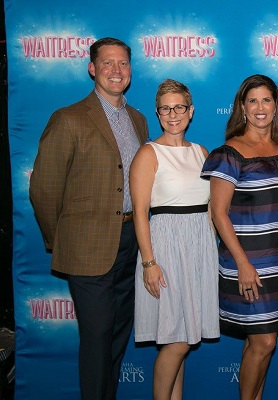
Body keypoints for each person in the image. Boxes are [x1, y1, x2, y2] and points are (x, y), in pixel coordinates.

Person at [29, 37, 148, 399]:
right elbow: (44, 189)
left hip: (131, 244)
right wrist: (62, 239)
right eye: (108, 63)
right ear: (92, 69)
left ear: (130, 70)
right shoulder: (68, 118)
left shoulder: (138, 120)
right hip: (87, 248)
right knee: (97, 338)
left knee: (117, 334)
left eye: (123, 63)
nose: (116, 70)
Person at [201, 74, 278, 400]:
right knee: (265, 341)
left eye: (267, 100)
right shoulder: (229, 152)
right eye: (253, 101)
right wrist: (243, 264)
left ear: (276, 105)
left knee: (259, 342)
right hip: (246, 263)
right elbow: (218, 213)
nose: (261, 107)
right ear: (242, 108)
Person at [130, 79, 219, 400]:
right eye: (165, 109)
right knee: (177, 340)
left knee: (181, 339)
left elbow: (211, 208)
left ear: (190, 111)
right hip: (166, 250)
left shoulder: (202, 152)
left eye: (178, 107)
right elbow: (141, 212)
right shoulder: (148, 153)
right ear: (157, 113)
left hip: (199, 249)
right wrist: (149, 262)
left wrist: (213, 254)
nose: (172, 114)